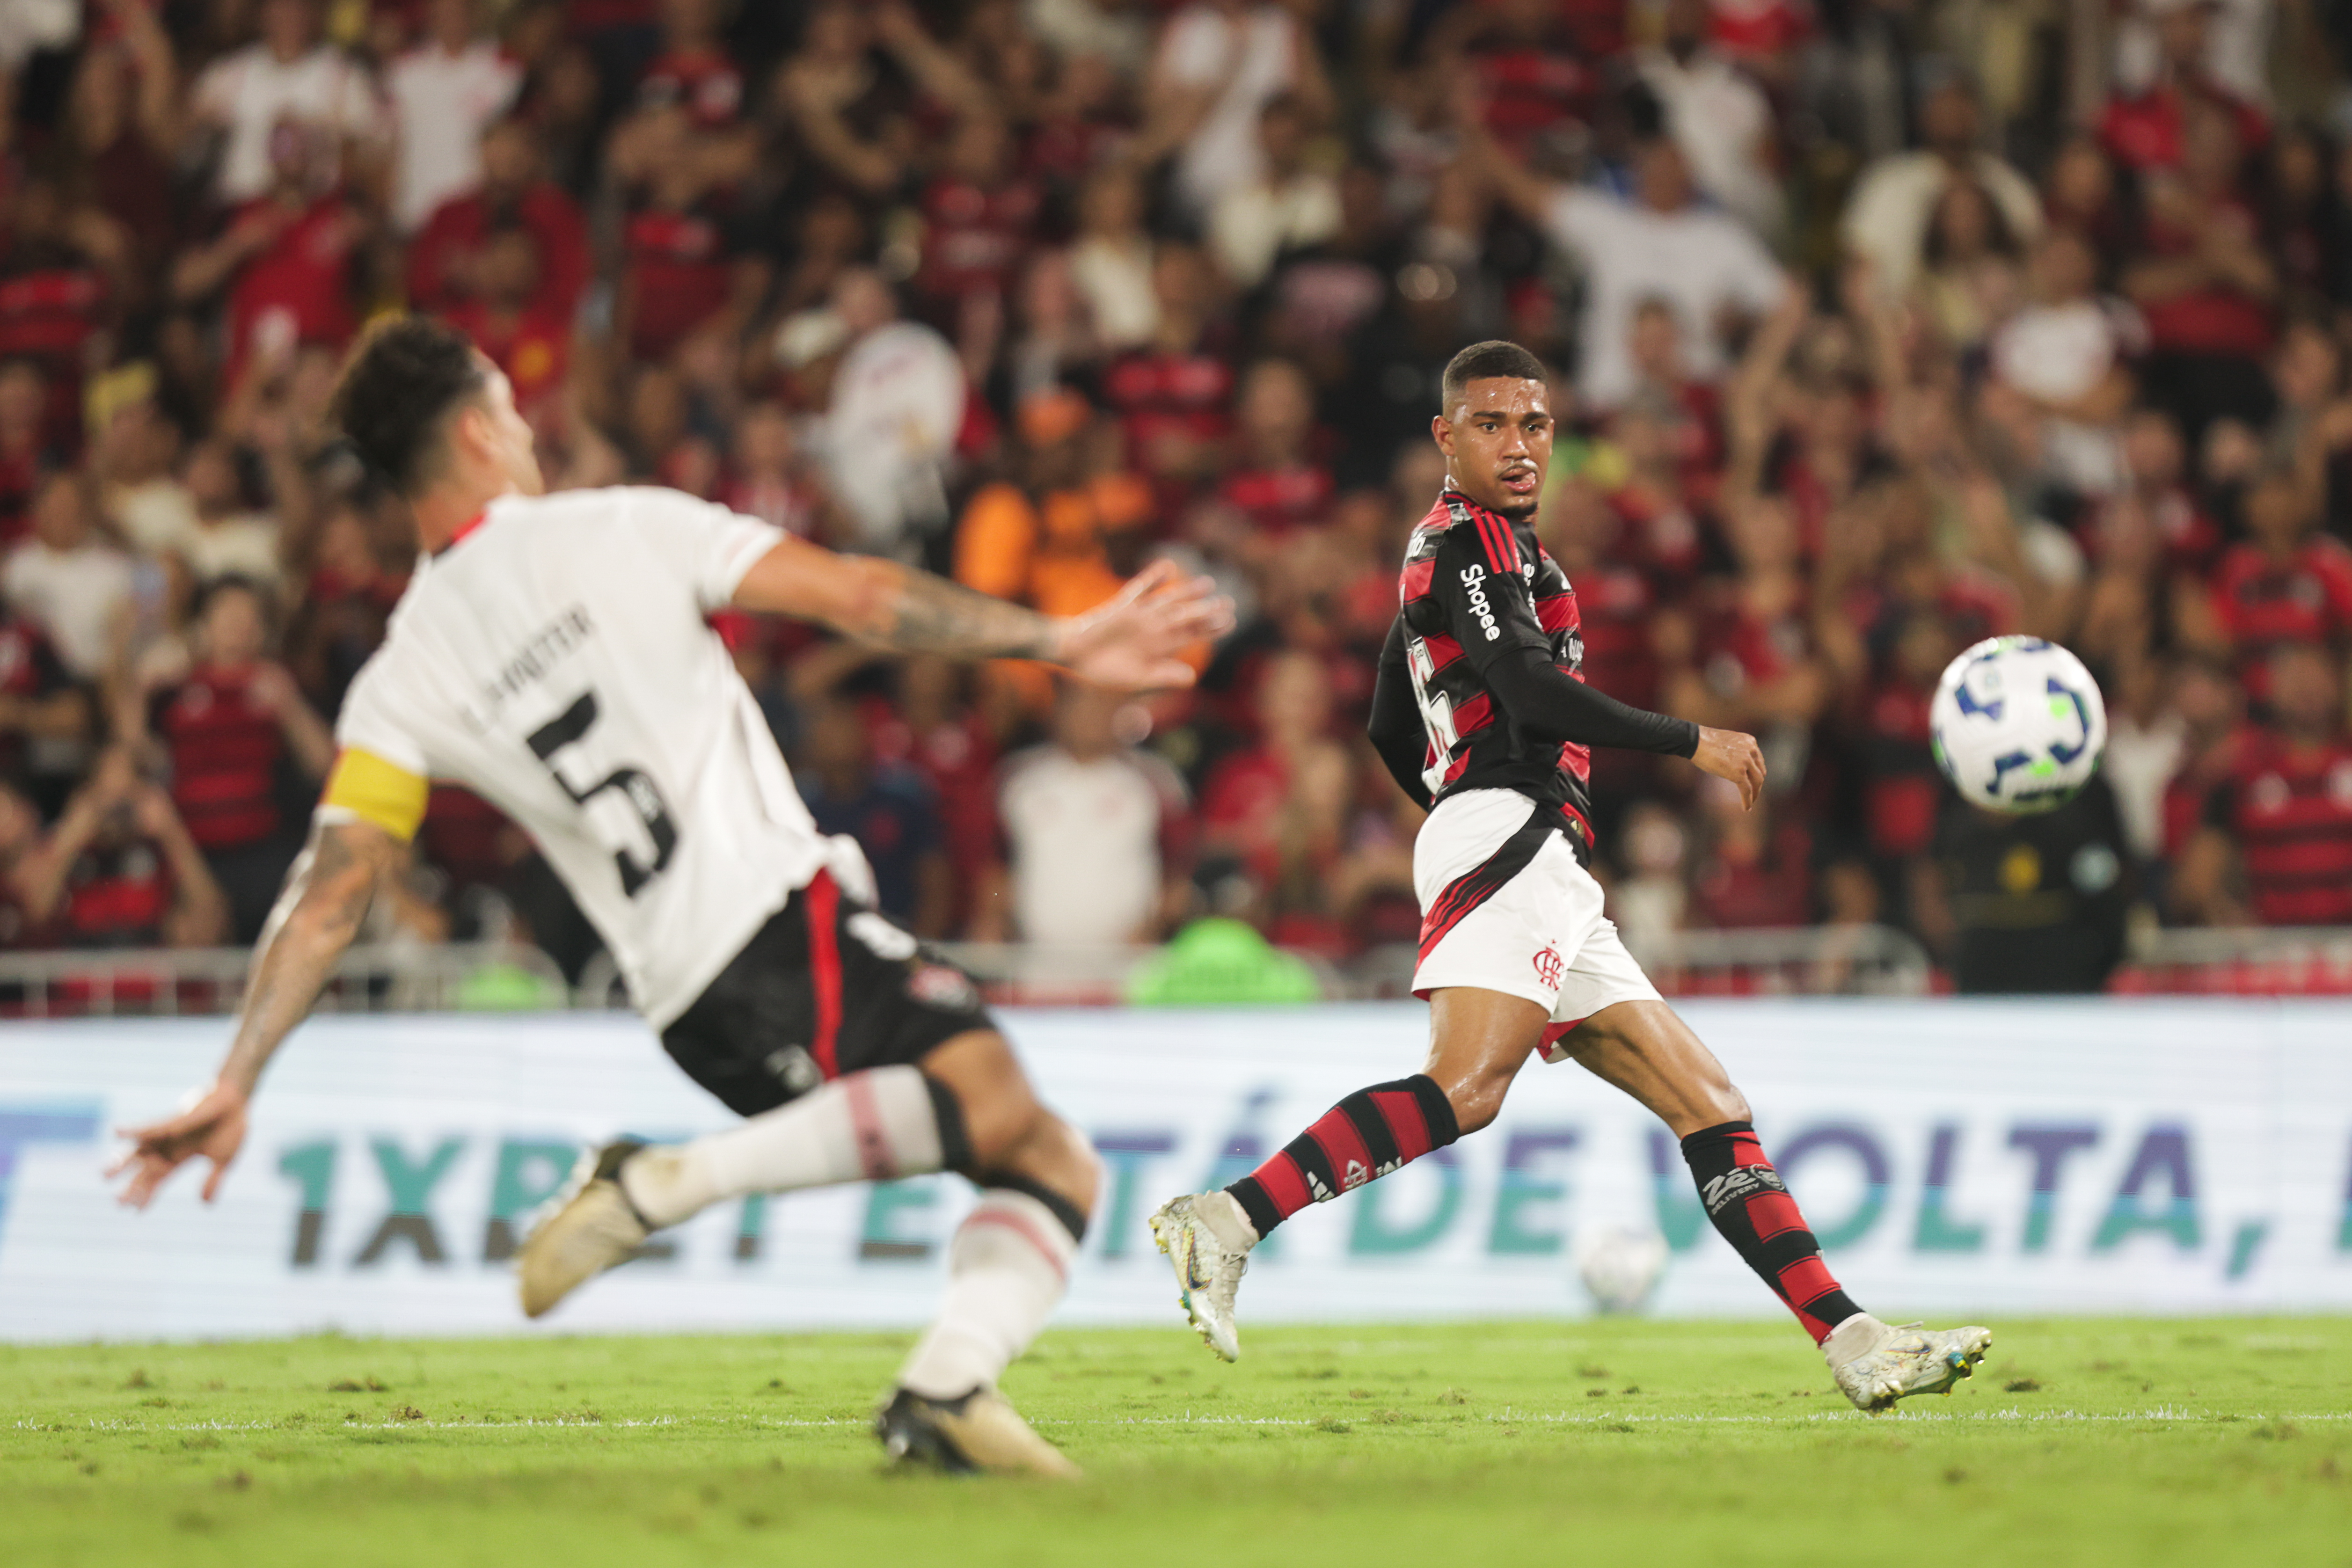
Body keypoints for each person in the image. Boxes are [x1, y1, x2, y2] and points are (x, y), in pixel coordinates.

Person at [107, 316, 1232, 1477]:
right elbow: (857, 594)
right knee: (992, 1098)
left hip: (685, 1003)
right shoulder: (621, 526)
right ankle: (659, 1179)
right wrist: (1058, 638)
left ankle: (944, 1390)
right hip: (777, 916)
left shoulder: (399, 677)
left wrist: (235, 1078)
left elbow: (333, 889)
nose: (532, 424)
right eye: (512, 401)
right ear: (484, 429)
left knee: (1048, 1156)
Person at [1147, 341, 1991, 1413]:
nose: (1516, 444)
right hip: (1510, 835)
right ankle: (1225, 1218)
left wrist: (1465, 798)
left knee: (1709, 1100)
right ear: (1445, 438)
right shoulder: (1465, 541)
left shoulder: (1477, 552)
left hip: (1525, 844)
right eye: (1490, 424)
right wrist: (1680, 742)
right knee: (1467, 1088)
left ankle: (1854, 1340)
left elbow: (1383, 719)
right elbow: (1524, 687)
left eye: (1533, 424)